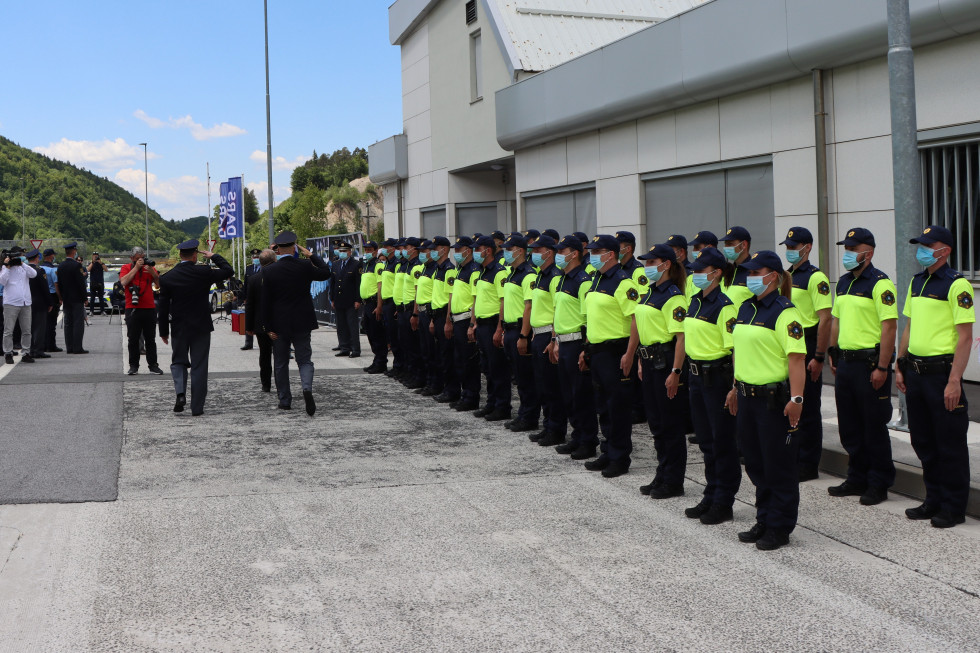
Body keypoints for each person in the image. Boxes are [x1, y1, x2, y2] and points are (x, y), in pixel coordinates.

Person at [725, 250, 806, 551]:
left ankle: (780, 526)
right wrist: (734, 387)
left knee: (778, 465)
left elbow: (796, 360)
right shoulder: (746, 308)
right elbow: (739, 352)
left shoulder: (786, 313)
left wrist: (797, 398)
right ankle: (764, 517)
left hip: (774, 400)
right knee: (756, 463)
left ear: (773, 276)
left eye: (756, 273)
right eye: (748, 272)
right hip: (747, 397)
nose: (750, 278)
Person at [896, 225, 975, 528]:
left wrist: (955, 380)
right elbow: (909, 326)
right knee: (923, 440)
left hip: (942, 375)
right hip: (915, 373)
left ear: (946, 250)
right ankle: (934, 499)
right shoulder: (917, 282)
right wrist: (899, 363)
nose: (923, 251)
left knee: (949, 443)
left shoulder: (957, 286)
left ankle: (953, 507)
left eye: (930, 246)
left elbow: (965, 338)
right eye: (921, 245)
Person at [828, 228, 897, 506]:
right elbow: (836, 320)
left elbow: (889, 327)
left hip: (870, 366)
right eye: (846, 248)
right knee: (850, 425)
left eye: (852, 249)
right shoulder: (843, 282)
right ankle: (856, 477)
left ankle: (878, 483)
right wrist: (833, 352)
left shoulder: (881, 284)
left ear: (867, 253)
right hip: (845, 364)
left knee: (873, 426)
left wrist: (883, 366)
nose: (847, 254)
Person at [681, 247, 741, 525]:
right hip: (695, 378)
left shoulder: (724, 306)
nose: (694, 275)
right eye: (692, 270)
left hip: (717, 379)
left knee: (722, 442)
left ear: (716, 273)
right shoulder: (695, 300)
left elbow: (733, 350)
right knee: (706, 442)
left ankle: (724, 500)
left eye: (700, 271)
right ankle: (711, 493)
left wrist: (734, 387)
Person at [628, 243, 689, 499]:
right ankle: (662, 472)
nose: (647, 267)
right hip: (650, 361)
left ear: (665, 264)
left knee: (670, 423)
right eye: (646, 262)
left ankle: (674, 480)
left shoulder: (673, 296)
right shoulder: (650, 292)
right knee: (656, 423)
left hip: (666, 362)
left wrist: (676, 371)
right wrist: (640, 359)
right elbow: (643, 328)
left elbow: (681, 338)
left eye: (652, 263)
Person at [580, 234, 641, 478]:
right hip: (597, 352)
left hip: (616, 352)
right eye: (592, 251)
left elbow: (636, 319)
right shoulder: (597, 279)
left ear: (611, 254)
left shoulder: (623, 282)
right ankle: (607, 451)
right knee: (603, 406)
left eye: (598, 251)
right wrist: (586, 350)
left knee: (618, 407)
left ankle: (619, 457)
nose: (593, 255)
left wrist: (629, 353)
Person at [780, 227, 833, 481]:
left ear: (807, 247)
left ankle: (808, 464)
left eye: (794, 247)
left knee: (808, 407)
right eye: (788, 247)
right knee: (790, 402)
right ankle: (792, 456)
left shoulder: (816, 278)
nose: (790, 251)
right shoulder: (786, 276)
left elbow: (825, 319)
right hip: (789, 346)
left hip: (809, 344)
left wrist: (819, 355)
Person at [158, 240, 234, 416]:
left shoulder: (167, 277)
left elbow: (162, 308)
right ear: (195, 255)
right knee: (199, 366)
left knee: (178, 362)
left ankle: (180, 393)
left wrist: (163, 331)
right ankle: (197, 407)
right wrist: (214, 256)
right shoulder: (204, 272)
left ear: (179, 255)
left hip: (179, 327)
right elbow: (228, 271)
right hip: (201, 326)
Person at [261, 231, 332, 415]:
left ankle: (285, 400)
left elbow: (265, 301)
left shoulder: (268, 270)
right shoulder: (304, 265)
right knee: (305, 360)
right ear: (294, 247)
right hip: (302, 321)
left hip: (279, 324)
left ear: (277, 249)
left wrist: (267, 327)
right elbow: (326, 273)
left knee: (281, 363)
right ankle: (306, 388)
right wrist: (311, 256)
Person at [551, 235, 599, 459]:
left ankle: (588, 441)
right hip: (563, 342)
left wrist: (585, 349)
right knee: (568, 395)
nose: (559, 255)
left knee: (581, 395)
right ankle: (577, 436)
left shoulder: (583, 280)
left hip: (577, 342)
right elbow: (557, 313)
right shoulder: (562, 279)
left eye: (563, 251)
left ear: (574, 253)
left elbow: (589, 319)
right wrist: (555, 340)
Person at [525, 234, 566, 444]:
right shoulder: (540, 274)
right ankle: (548, 424)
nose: (533, 254)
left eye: (537, 250)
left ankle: (556, 429)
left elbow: (557, 310)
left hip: (549, 335)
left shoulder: (555, 276)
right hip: (538, 333)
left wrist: (554, 339)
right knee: (542, 385)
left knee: (551, 386)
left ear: (549, 252)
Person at [499, 233, 539, 432]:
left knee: (525, 377)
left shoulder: (528, 274)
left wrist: (524, 335)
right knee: (518, 375)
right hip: (510, 329)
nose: (505, 252)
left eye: (509, 249)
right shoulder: (512, 272)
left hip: (520, 330)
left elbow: (529, 306)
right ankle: (523, 414)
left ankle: (529, 417)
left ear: (520, 251)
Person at [469, 235, 511, 421]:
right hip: (482, 324)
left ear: (487, 250)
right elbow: (477, 300)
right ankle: (492, 403)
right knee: (487, 367)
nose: (475, 253)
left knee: (498, 368)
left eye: (478, 249)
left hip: (494, 324)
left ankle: (502, 406)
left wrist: (499, 328)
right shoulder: (481, 271)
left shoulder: (499, 272)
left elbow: (503, 302)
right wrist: (473, 323)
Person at [445, 236, 481, 411]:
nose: (456, 253)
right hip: (457, 320)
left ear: (468, 250)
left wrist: (472, 324)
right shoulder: (461, 269)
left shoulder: (474, 270)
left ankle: (471, 397)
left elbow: (475, 300)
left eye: (459, 250)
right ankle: (464, 394)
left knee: (469, 362)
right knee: (459, 360)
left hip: (467, 319)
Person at [120, 247, 163, 375]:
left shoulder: (149, 267)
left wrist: (153, 273)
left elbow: (159, 285)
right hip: (132, 308)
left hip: (149, 307)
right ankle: (133, 366)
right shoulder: (126, 268)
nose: (141, 260)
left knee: (151, 338)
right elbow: (124, 281)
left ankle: (153, 365)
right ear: (132, 258)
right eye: (138, 258)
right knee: (133, 339)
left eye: (142, 257)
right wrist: (136, 268)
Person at [428, 237, 458, 403]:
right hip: (436, 316)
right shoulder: (437, 269)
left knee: (448, 356)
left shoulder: (449, 269)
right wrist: (433, 320)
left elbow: (450, 298)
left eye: (436, 248)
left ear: (445, 249)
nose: (433, 251)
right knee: (440, 354)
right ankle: (443, 387)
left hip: (445, 316)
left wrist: (448, 321)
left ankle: (451, 390)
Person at [245, 248, 277, 392]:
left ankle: (266, 384)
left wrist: (249, 326)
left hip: (260, 323)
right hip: (278, 321)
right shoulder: (281, 276)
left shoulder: (254, 279)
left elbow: (249, 305)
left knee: (264, 355)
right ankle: (281, 382)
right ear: (274, 261)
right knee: (279, 355)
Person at [1, 249, 37, 363]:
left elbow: (34, 274)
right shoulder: (5, 269)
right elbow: (2, 281)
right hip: (11, 303)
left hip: (25, 302)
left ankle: (26, 352)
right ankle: (8, 353)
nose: (18, 259)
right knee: (8, 330)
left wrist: (22, 264)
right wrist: (7, 266)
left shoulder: (23, 267)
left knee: (27, 330)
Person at [413, 240, 438, 394]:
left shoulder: (436, 269)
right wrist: (415, 313)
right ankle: (428, 382)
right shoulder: (424, 268)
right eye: (420, 252)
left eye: (425, 251)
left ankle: (435, 384)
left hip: (430, 312)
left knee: (432, 350)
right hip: (421, 312)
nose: (422, 254)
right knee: (424, 350)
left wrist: (433, 318)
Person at [398, 238, 424, 387]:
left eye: (406, 247)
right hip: (403, 308)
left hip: (410, 310)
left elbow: (416, 293)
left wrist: (415, 313)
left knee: (414, 346)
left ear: (414, 249)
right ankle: (411, 373)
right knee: (406, 344)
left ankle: (418, 376)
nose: (404, 250)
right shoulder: (408, 264)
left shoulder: (417, 267)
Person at [360, 241, 388, 374]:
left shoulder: (378, 266)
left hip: (373, 303)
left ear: (376, 251)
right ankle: (376, 360)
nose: (367, 252)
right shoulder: (366, 265)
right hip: (366, 303)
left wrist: (379, 305)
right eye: (365, 249)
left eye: (370, 249)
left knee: (377, 334)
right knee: (370, 332)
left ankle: (381, 362)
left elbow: (380, 286)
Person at [330, 241, 362, 358]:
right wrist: (332, 298)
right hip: (339, 300)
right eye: (340, 251)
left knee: (352, 326)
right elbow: (332, 283)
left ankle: (355, 349)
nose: (342, 253)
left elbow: (359, 283)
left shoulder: (356, 264)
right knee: (341, 325)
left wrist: (358, 300)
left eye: (344, 251)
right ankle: (344, 347)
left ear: (350, 252)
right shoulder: (336, 264)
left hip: (351, 300)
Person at [56, 242, 87, 354]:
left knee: (68, 323)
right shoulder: (76, 265)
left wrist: (62, 296)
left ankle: (69, 347)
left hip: (66, 298)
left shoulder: (61, 265)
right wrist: (85, 297)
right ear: (74, 252)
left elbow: (59, 283)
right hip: (77, 298)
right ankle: (77, 347)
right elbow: (80, 283)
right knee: (78, 322)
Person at [379, 238, 402, 377]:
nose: (385, 249)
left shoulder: (396, 263)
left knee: (396, 337)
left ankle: (399, 366)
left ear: (393, 248)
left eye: (387, 247)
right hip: (386, 302)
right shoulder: (387, 262)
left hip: (394, 303)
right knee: (391, 336)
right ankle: (396, 366)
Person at [25, 250, 52, 360]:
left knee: (29, 328)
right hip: (39, 302)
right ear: (37, 258)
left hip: (27, 301)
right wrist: (50, 302)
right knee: (39, 327)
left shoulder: (25, 271)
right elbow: (44, 288)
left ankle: (30, 349)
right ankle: (38, 350)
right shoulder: (40, 271)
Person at [720, 226, 754, 309]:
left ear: (744, 245)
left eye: (730, 244)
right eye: (725, 244)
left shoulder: (754, 272)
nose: (726, 247)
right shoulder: (727, 271)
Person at [39, 249, 61, 352]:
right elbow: (56, 284)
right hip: (52, 296)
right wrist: (60, 297)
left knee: (42, 322)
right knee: (51, 323)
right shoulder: (53, 270)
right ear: (51, 256)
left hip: (41, 296)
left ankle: (42, 344)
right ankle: (51, 345)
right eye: (53, 255)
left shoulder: (39, 268)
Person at [241, 248, 262, 350]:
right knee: (249, 319)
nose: (255, 258)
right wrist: (244, 297)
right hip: (250, 298)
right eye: (254, 257)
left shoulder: (265, 267)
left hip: (261, 297)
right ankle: (248, 343)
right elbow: (245, 284)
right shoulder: (249, 268)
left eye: (257, 257)